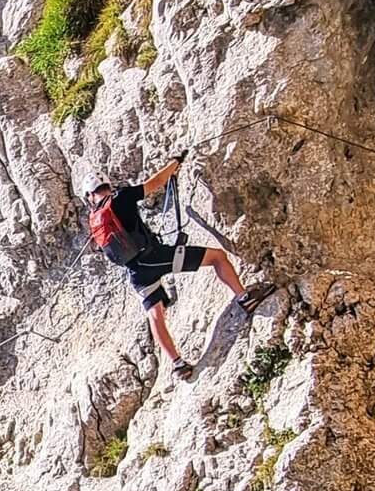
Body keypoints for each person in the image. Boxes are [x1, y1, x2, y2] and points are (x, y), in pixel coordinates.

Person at [85, 161, 273, 380]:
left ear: (89, 196)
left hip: (135, 272)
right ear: (107, 184)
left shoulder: (95, 218)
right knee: (217, 257)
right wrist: (174, 164)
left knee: (155, 314)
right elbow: (154, 183)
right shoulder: (120, 197)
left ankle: (178, 364)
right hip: (155, 257)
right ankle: (244, 297)